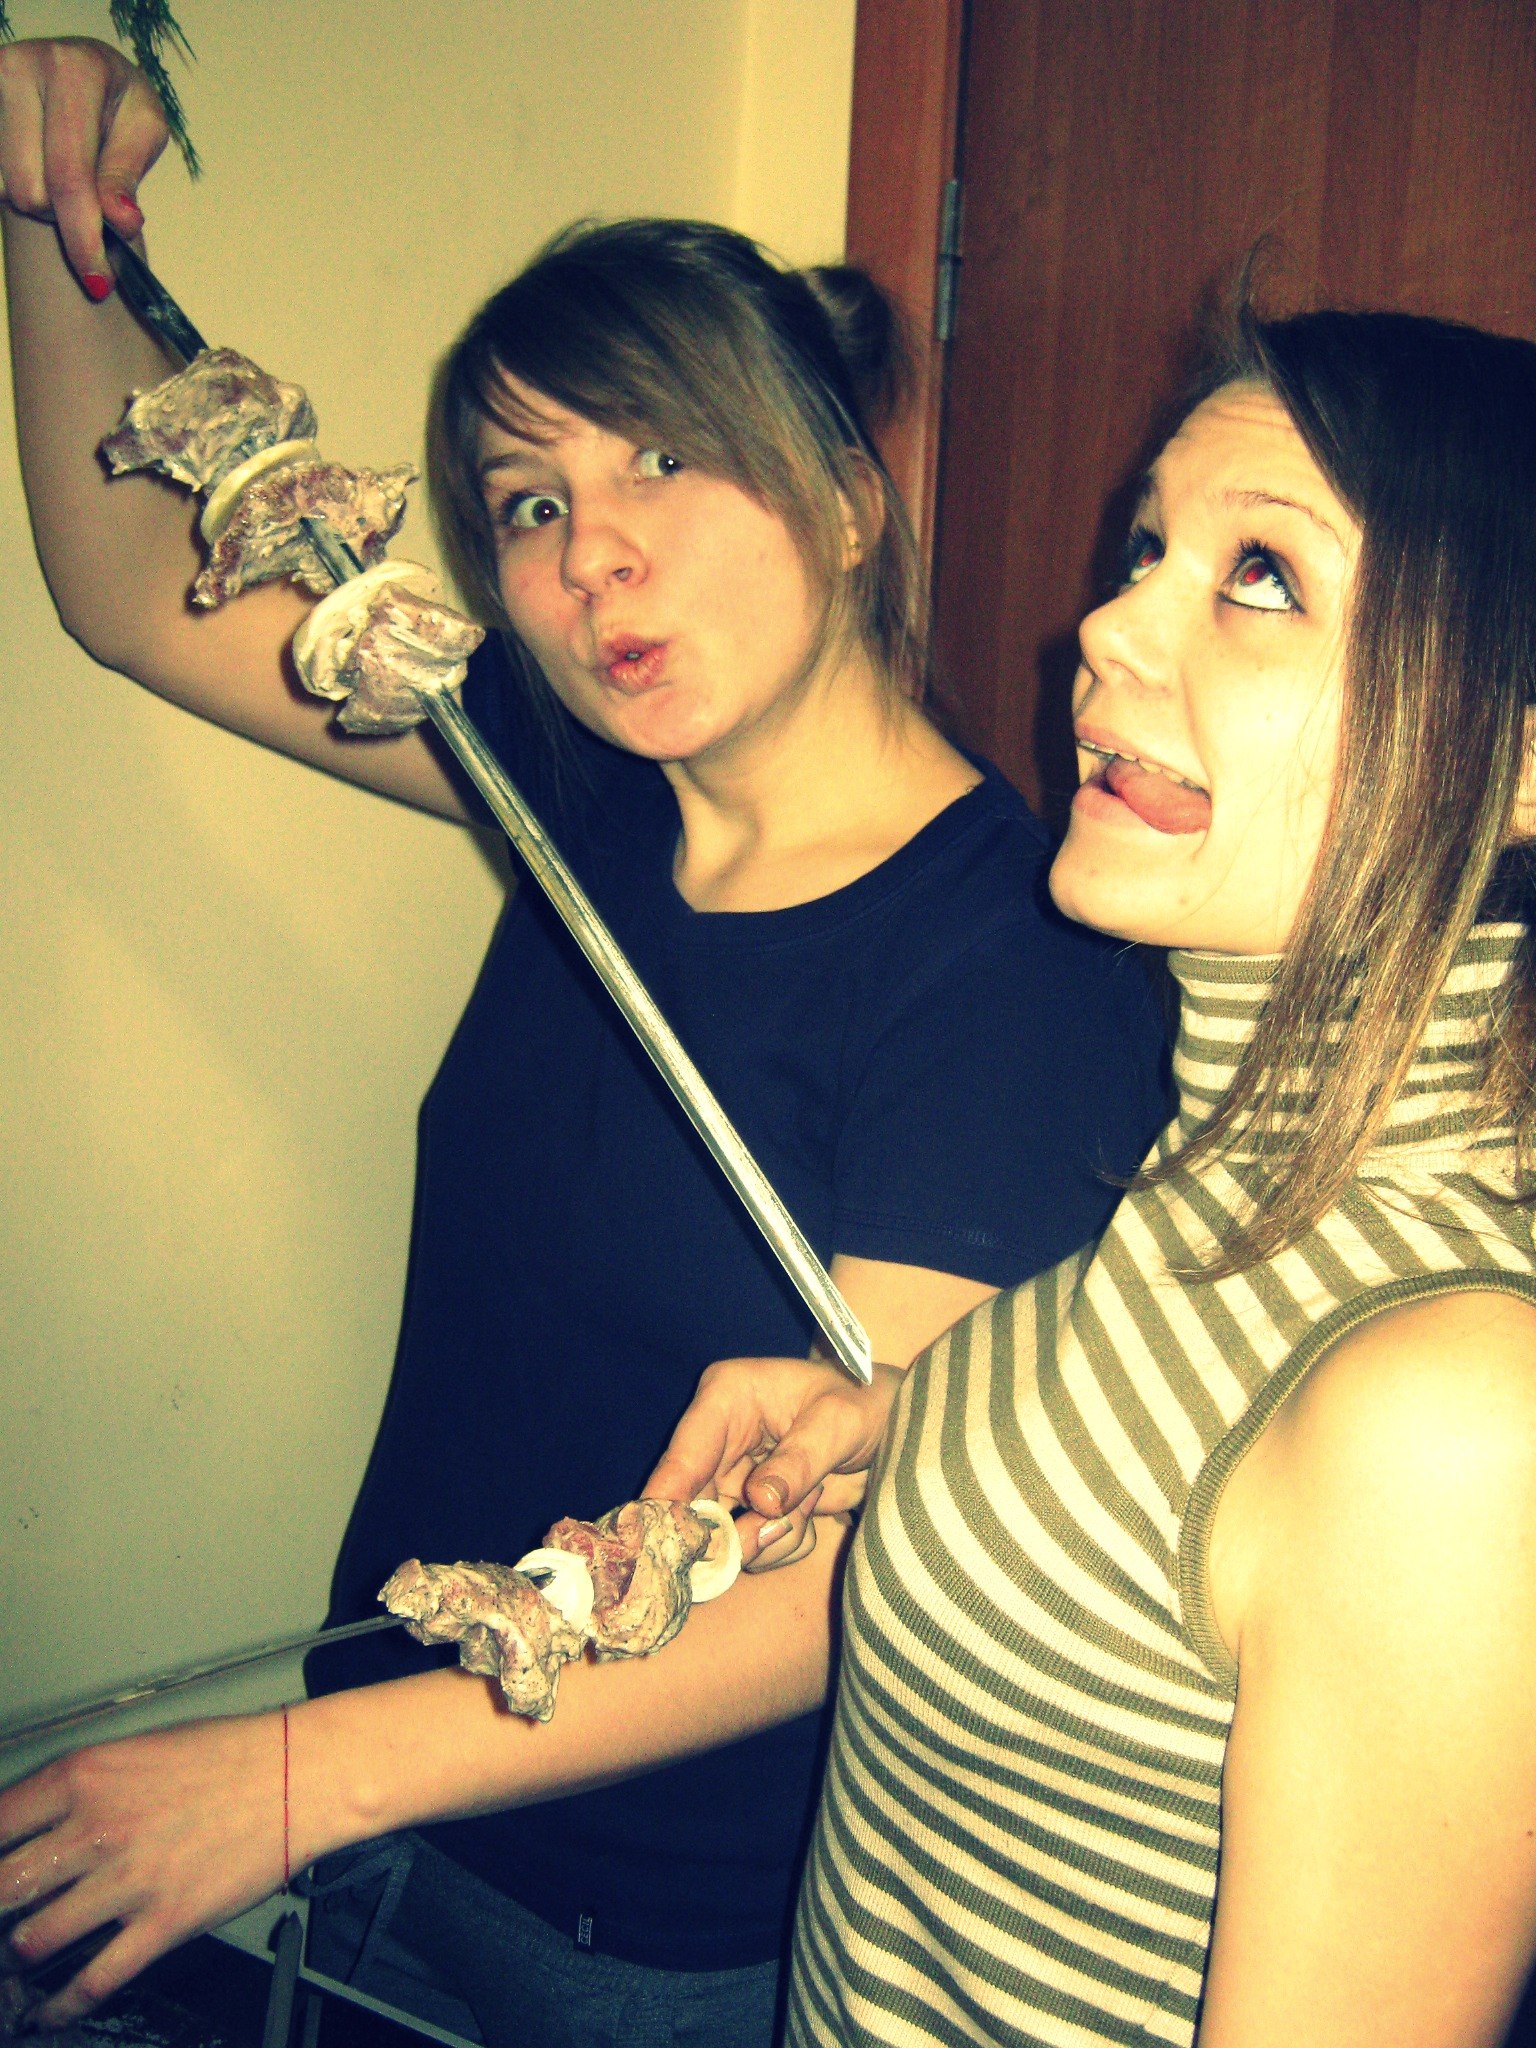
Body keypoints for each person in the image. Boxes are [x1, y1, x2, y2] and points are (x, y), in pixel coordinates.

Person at [0, 38, 1168, 2045]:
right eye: (528, 500)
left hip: (662, 1930)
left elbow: (840, 1575)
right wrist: (55, 222)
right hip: (396, 1814)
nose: (584, 553)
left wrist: (287, 1782)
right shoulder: (585, 801)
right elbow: (127, 590)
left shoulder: (1024, 969)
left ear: (851, 500)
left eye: (661, 462)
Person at [646, 301, 1536, 2046]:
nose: (1107, 628)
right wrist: (928, 1422)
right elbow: (1207, 1516)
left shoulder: (1461, 1424)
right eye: (1148, 550)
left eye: (1262, 574)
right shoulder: (1226, 1169)